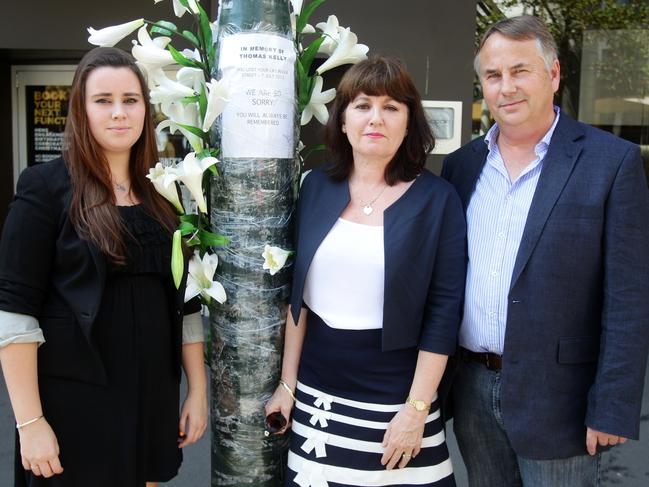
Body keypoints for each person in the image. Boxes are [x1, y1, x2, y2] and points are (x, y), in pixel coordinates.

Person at [442, 15, 649, 487]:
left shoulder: (610, 162)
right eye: (493, 76)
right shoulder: (461, 167)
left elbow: (629, 300)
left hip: (563, 398)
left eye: (521, 71)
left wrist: (612, 407)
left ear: (553, 75)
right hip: (473, 385)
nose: (506, 87)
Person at [0, 47, 208, 487]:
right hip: (76, 397)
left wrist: (197, 390)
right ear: (81, 109)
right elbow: (16, 313)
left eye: (130, 100)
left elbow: (185, 301)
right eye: (103, 100)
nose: (119, 113)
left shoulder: (162, 196)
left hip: (151, 393)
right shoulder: (45, 188)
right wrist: (29, 421)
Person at [265, 56, 466, 486]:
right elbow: (297, 296)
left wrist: (415, 410)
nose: (376, 118)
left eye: (392, 107)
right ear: (342, 120)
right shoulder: (316, 186)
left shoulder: (437, 200)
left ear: (410, 122)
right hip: (319, 392)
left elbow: (444, 312)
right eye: (363, 105)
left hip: (399, 397)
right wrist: (287, 384)